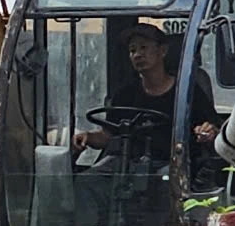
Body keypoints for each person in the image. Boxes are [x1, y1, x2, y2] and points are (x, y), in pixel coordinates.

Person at [72, 23, 220, 164]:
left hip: (175, 166)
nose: (137, 55)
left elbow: (211, 128)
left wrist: (207, 131)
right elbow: (108, 135)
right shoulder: (124, 94)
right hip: (130, 166)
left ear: (163, 51)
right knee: (88, 182)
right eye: (132, 50)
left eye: (143, 47)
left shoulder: (187, 92)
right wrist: (88, 137)